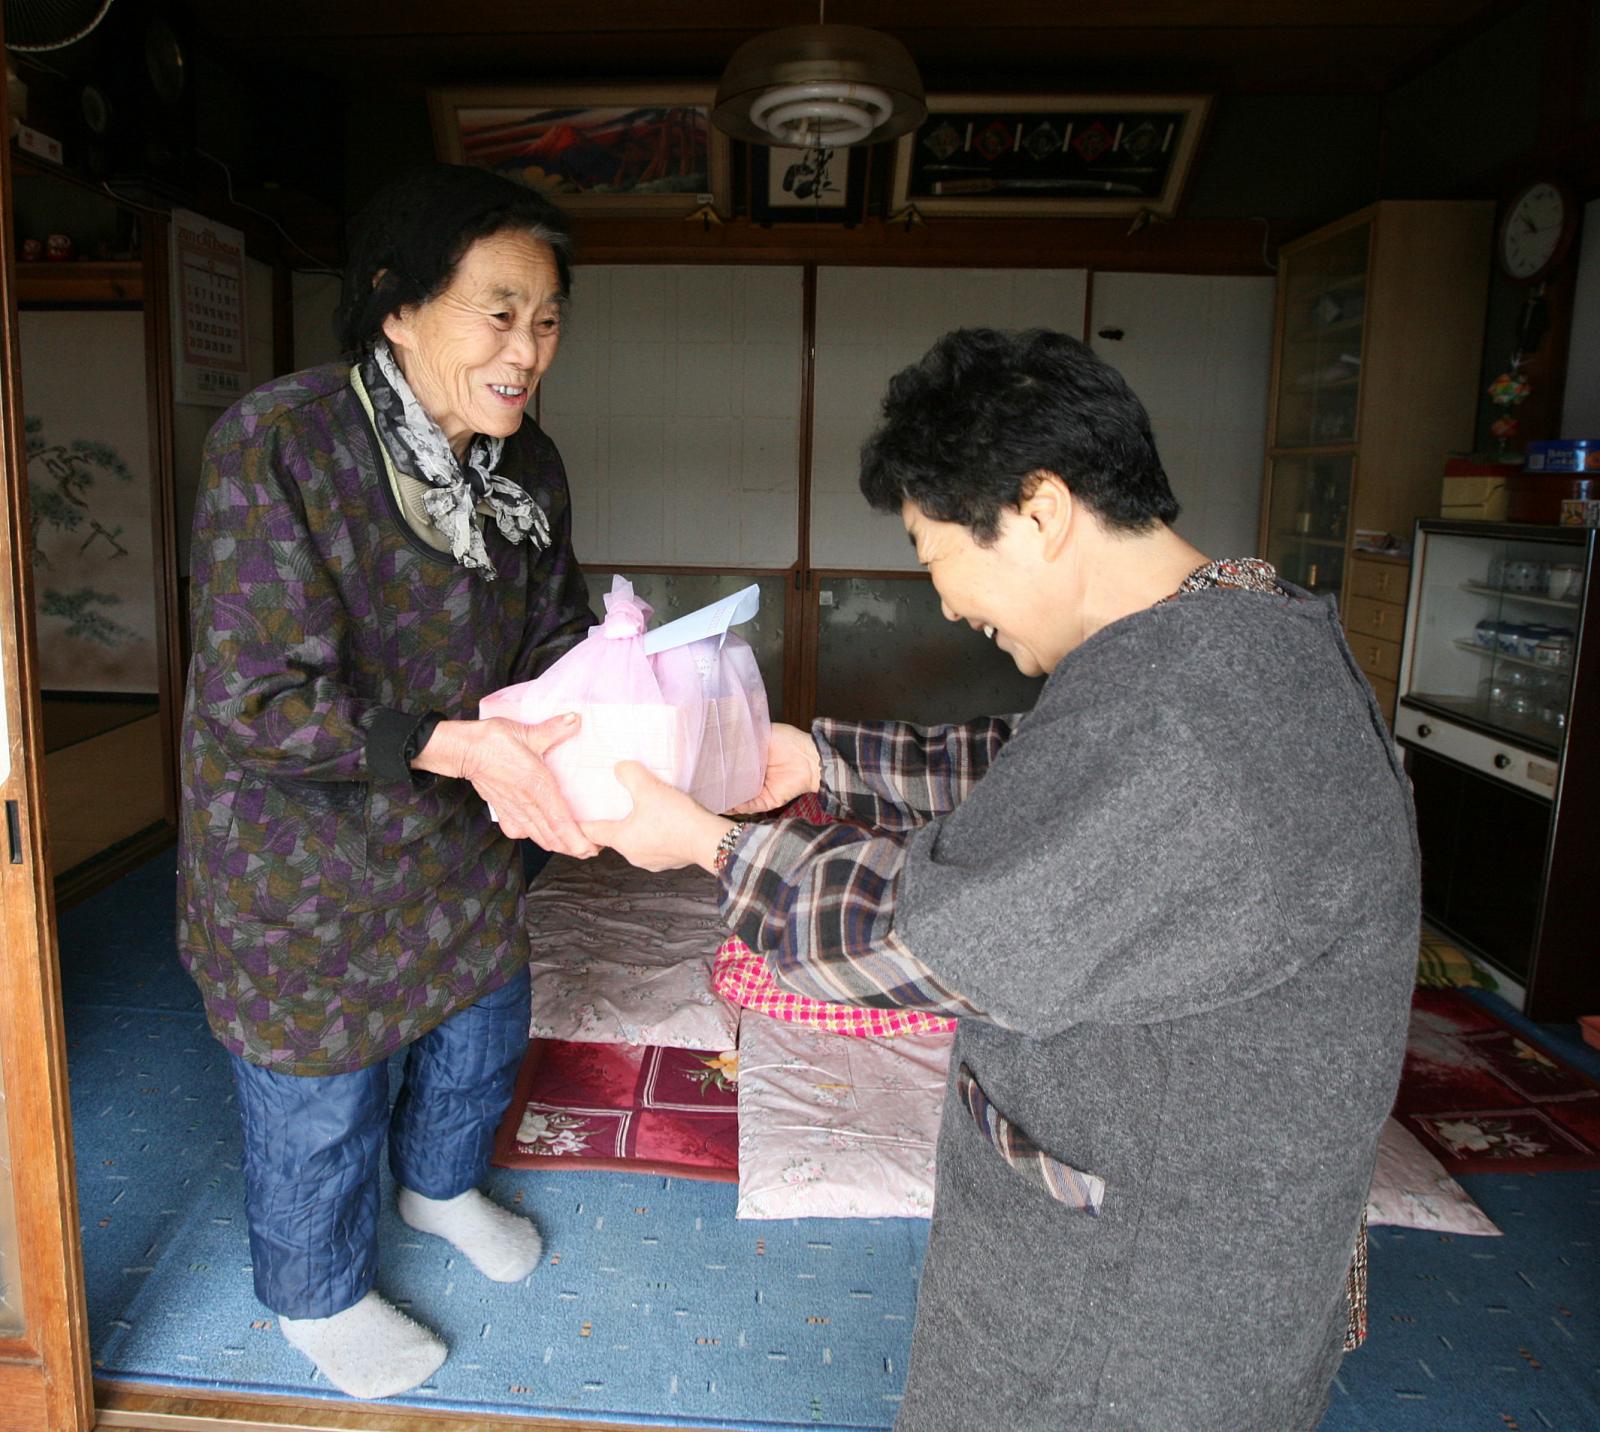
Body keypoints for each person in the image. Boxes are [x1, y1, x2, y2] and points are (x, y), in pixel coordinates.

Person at [584, 327, 1420, 1430]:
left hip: (1137, 1311)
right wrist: (821, 760)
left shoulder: (1201, 729)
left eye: (937, 559)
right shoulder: (1224, 630)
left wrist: (707, 843)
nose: (943, 602)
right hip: (1145, 1228)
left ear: (1038, 508)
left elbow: (920, 939)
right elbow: (1046, 772)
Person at [176, 164, 598, 1400]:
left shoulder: (528, 462)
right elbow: (255, 700)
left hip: (458, 828)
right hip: (298, 846)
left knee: (483, 1021)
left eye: (549, 317)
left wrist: (631, 684)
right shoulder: (282, 442)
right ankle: (317, 1296)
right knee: (322, 1085)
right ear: (399, 308)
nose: (528, 348)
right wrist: (456, 743)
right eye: (500, 311)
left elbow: (549, 626)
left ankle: (442, 1183)